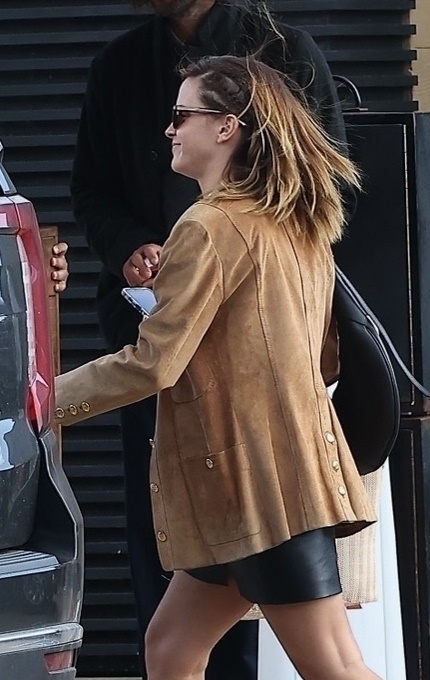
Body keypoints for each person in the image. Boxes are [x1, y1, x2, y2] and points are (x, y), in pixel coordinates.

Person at [57, 54, 379, 680]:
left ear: (227, 126)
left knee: (336, 669)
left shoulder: (209, 226)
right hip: (257, 480)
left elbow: (153, 363)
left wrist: (40, 400)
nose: (169, 129)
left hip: (259, 486)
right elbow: (322, 354)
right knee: (171, 649)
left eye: (182, 115)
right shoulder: (295, 221)